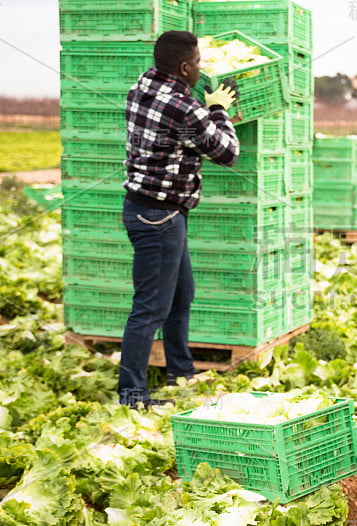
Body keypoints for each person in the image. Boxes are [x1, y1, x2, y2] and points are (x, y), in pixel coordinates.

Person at [120, 31, 240, 408]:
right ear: (185, 67)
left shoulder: (143, 85)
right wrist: (217, 108)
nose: (201, 69)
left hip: (153, 209)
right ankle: (133, 395)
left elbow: (185, 132)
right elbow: (226, 152)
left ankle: (181, 372)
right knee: (150, 307)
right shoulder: (184, 108)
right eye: (199, 63)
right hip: (159, 217)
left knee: (180, 295)